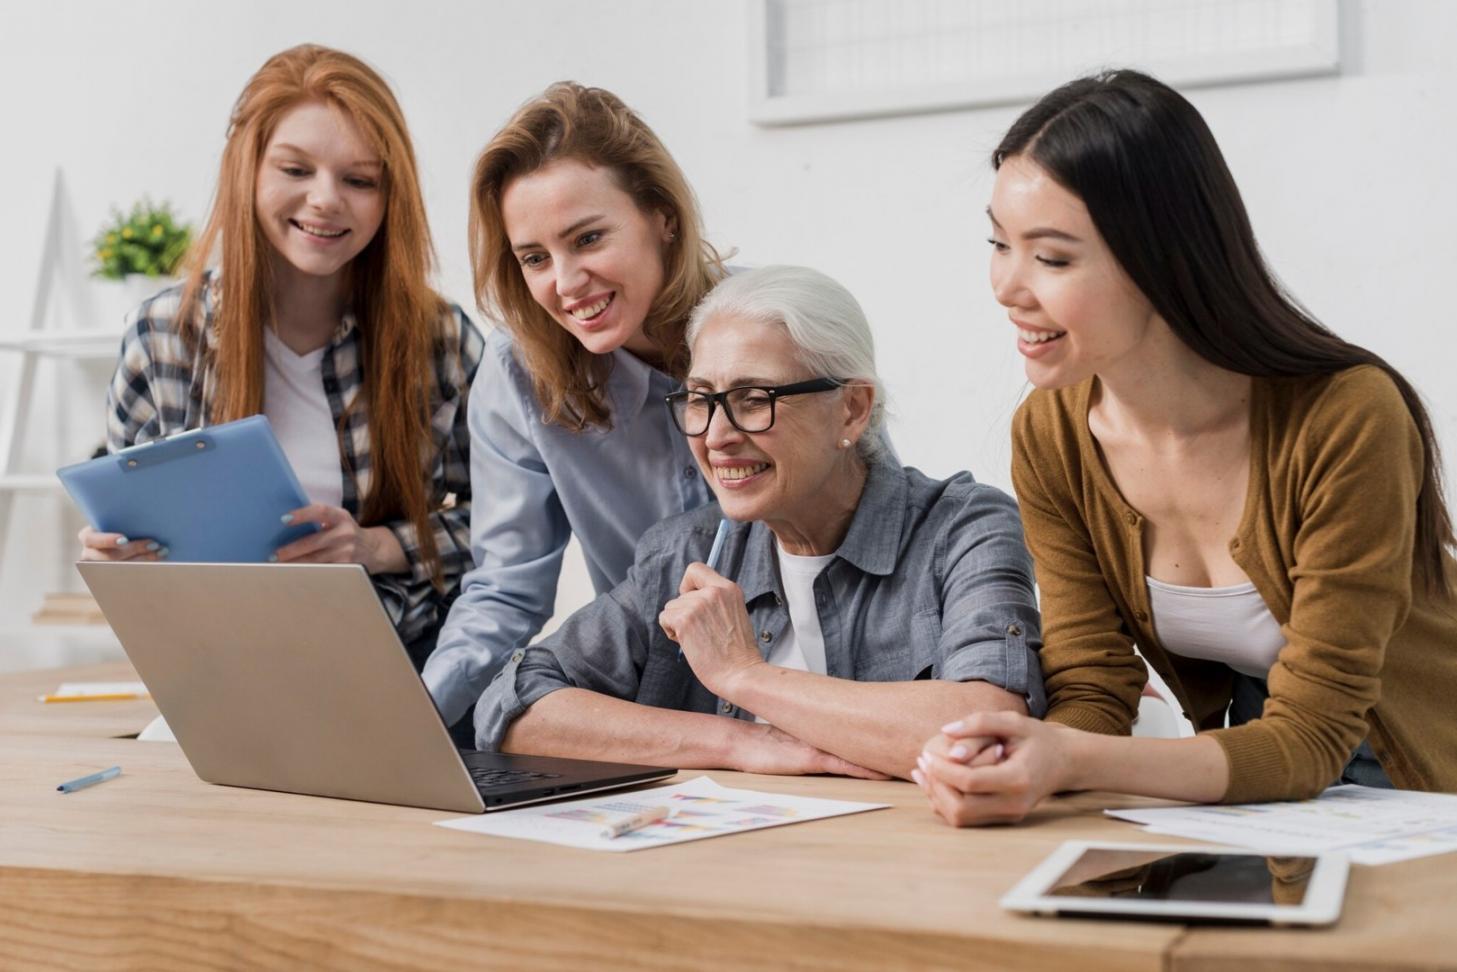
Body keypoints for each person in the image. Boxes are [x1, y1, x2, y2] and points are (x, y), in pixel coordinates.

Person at [916, 69, 1457, 824]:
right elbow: (1093, 685)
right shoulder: (1050, 435)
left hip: (1420, 786)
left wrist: (1068, 760)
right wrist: (1013, 762)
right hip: (1270, 791)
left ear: (1160, 259)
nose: (1007, 284)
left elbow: (1312, 736)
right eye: (998, 243)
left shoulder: (1344, 415)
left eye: (1052, 257)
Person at [471, 266, 1044, 779]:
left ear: (853, 408)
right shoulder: (683, 553)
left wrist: (746, 676)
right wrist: (739, 741)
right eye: (700, 399)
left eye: (752, 398)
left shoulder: (964, 529)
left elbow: (988, 729)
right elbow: (515, 705)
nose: (716, 436)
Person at [79, 45, 484, 667]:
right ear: (249, 172)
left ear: (388, 196)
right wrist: (108, 557)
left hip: (400, 666)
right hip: (219, 668)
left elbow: (508, 534)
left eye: (358, 180)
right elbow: (125, 529)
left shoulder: (441, 339)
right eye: (296, 170)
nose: (325, 200)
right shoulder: (165, 333)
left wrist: (374, 548)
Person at [423, 83, 727, 730]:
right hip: (658, 708)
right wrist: (407, 727)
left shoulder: (778, 329)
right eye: (535, 258)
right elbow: (504, 592)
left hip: (807, 679)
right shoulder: (518, 377)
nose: (564, 284)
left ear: (661, 216)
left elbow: (871, 523)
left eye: (587, 239)